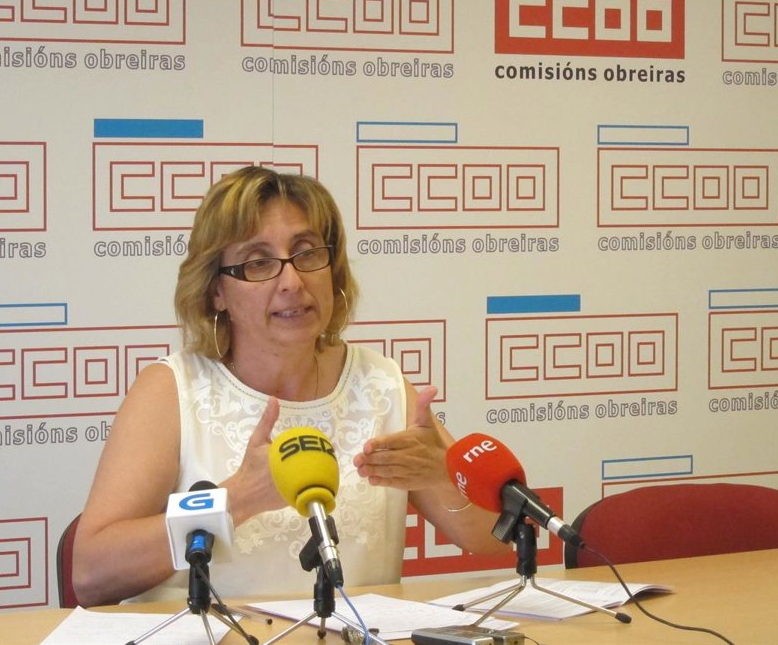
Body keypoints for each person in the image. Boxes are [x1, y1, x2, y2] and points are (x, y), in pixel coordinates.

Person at [71, 166, 507, 607]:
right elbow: (91, 573)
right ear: (216, 290)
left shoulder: (381, 386)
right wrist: (238, 499)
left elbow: (494, 539)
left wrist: (442, 475)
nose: (293, 282)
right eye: (259, 262)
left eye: (307, 253)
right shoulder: (172, 390)